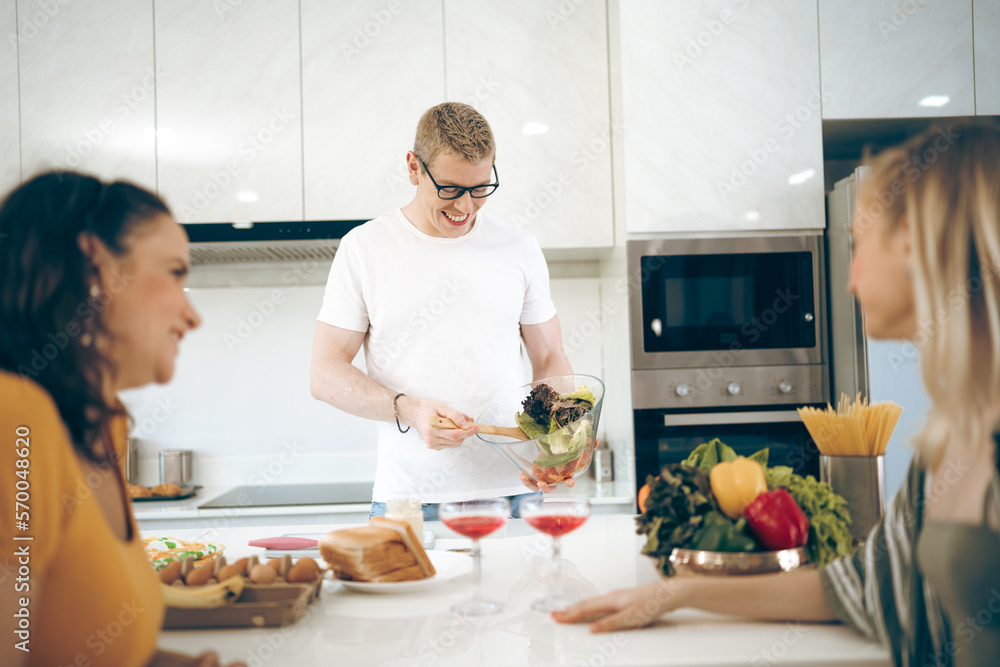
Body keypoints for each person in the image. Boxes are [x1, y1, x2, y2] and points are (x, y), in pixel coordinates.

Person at [554, 119, 1000, 666]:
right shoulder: (948, 443)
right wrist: (679, 593)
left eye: (860, 244)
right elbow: (859, 587)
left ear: (913, 243)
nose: (850, 278)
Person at [0, 172, 244, 667]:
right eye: (175, 272)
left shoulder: (106, 428)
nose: (192, 315)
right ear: (95, 266)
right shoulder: (16, 420)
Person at [310, 102, 574, 519]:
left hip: (516, 494)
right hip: (410, 502)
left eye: (480, 188)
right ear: (414, 168)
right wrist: (410, 410)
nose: (466, 207)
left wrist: (558, 441)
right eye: (450, 189)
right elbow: (324, 375)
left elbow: (549, 356)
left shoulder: (518, 247)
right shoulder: (364, 249)